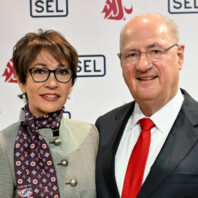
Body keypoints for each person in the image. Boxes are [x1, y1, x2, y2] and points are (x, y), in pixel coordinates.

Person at [96, 12, 198, 198]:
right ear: (121, 62)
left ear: (180, 56)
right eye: (132, 54)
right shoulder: (104, 127)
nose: (143, 65)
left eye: (156, 51)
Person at [0, 29, 98, 198]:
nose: (52, 83)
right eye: (39, 71)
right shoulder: (4, 144)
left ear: (71, 84)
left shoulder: (90, 134)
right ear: (22, 81)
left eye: (62, 72)